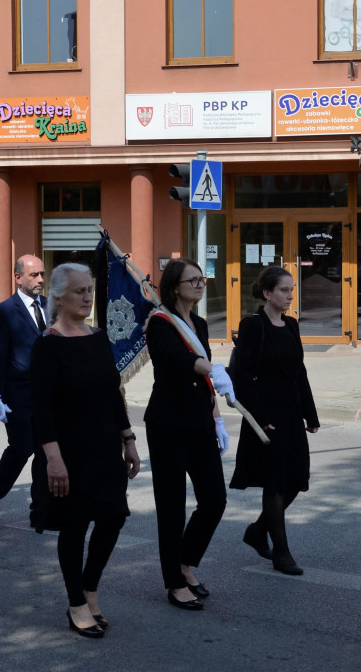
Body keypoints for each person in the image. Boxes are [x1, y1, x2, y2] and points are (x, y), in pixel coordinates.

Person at [30, 263, 140, 638]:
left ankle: (90, 588)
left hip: (105, 448)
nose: (87, 296)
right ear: (58, 298)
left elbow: (113, 394)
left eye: (89, 290)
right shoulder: (49, 343)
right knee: (75, 527)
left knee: (113, 518)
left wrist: (128, 439)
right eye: (79, 291)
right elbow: (40, 408)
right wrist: (53, 458)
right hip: (69, 452)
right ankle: (76, 602)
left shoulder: (98, 337)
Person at [144, 258, 230, 610]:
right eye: (192, 280)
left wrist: (217, 416)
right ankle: (174, 582)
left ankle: (185, 560)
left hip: (200, 421)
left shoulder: (201, 323)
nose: (200, 285)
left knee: (214, 500)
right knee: (172, 507)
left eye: (202, 279)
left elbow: (204, 379)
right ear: (175, 286)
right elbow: (179, 360)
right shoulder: (160, 323)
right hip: (168, 424)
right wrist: (214, 367)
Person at [229, 266, 319, 575]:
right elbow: (241, 375)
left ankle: (257, 531)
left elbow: (300, 372)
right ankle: (281, 553)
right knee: (276, 482)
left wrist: (310, 413)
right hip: (266, 416)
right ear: (268, 293)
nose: (290, 295)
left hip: (291, 413)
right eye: (284, 290)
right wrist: (260, 417)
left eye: (292, 290)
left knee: (296, 478)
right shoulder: (253, 325)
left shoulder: (292, 325)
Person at [0, 254, 48, 527]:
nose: (41, 280)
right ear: (18, 278)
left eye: (43, 274)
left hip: (47, 395)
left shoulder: (50, 306)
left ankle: (39, 510)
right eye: (34, 275)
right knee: (22, 448)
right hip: (18, 395)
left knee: (46, 452)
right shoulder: (4, 311)